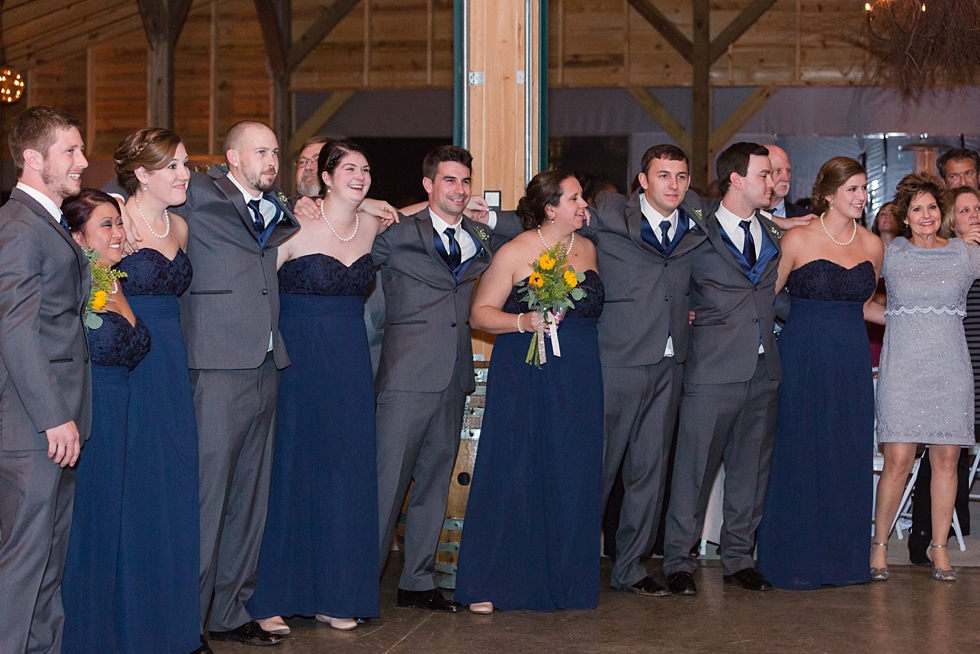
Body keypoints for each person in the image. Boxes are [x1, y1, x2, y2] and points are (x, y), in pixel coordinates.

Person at [110, 121, 300, 646]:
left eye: (277, 151)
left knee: (249, 498)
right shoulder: (197, 195)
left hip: (267, 360)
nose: (272, 158)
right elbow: (109, 216)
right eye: (262, 150)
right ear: (232, 156)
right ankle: (185, 619)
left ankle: (231, 607)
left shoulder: (274, 206)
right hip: (210, 362)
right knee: (205, 497)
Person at [373, 145, 521, 613]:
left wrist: (486, 213)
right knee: (386, 486)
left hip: (455, 375)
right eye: (449, 181)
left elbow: (526, 227)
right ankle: (360, 580)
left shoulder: (479, 235)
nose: (458, 190)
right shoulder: (397, 233)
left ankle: (416, 581)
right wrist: (395, 209)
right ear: (428, 185)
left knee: (435, 484)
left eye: (464, 182)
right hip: (404, 376)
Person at [248, 140, 386, 633]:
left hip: (350, 362)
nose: (360, 175)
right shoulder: (292, 223)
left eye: (366, 169)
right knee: (291, 468)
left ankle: (337, 593)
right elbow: (257, 280)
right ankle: (270, 597)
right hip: (298, 359)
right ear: (325, 177)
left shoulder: (373, 223)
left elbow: (417, 214)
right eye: (349, 168)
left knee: (346, 471)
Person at [454, 170, 604, 613]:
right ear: (550, 208)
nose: (584, 206)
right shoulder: (516, 251)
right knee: (515, 467)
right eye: (575, 198)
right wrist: (525, 321)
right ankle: (493, 581)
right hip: (526, 370)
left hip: (579, 372)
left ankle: (566, 581)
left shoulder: (589, 247)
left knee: (572, 473)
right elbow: (479, 314)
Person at [582, 145, 707, 597]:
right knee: (599, 467)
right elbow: (545, 216)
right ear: (642, 180)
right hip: (617, 358)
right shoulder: (610, 214)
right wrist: (485, 219)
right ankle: (574, 562)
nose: (672, 184)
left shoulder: (695, 221)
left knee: (648, 471)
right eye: (663, 175)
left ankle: (631, 566)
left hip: (671, 362)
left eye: (680, 176)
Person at [756, 157, 883, 590]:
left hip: (850, 357)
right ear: (828, 194)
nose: (860, 197)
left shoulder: (872, 244)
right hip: (803, 353)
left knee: (846, 452)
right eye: (852, 189)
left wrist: (917, 318)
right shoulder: (797, 239)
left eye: (864, 189)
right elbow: (765, 297)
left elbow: (865, 306)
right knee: (799, 449)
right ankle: (792, 559)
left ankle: (845, 561)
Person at [662, 142, 782, 596]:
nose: (773, 183)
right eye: (764, 175)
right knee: (693, 471)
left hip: (763, 369)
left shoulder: (772, 233)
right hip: (710, 370)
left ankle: (738, 558)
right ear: (736, 179)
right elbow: (671, 287)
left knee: (750, 473)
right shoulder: (696, 233)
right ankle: (678, 560)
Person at [108, 128, 206, 653]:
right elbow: (88, 284)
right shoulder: (114, 217)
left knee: (173, 490)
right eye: (170, 166)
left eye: (185, 163)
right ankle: (130, 626)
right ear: (140, 173)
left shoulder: (182, 226)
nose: (183, 174)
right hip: (129, 363)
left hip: (173, 365)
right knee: (135, 489)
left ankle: (171, 625)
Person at [0, 106, 91, 654]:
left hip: (56, 422)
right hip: (33, 426)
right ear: (33, 159)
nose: (82, 162)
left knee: (47, 566)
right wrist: (53, 415)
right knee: (23, 565)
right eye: (71, 152)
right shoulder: (17, 225)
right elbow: (14, 329)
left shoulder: (46, 223)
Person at [871, 174, 980, 583]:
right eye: (917, 208)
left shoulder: (964, 253)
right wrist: (900, 321)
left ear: (942, 211)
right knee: (898, 459)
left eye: (932, 206)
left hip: (951, 368)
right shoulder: (890, 253)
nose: (926, 215)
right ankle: (879, 545)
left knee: (947, 460)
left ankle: (939, 548)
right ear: (904, 217)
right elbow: (859, 298)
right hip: (903, 368)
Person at [61, 190, 151, 654]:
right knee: (88, 530)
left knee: (118, 529)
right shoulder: (72, 284)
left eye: (119, 223)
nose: (118, 233)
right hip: (91, 420)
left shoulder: (115, 281)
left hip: (127, 417)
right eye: (106, 225)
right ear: (77, 237)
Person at [905, 185, 980, 565]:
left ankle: (943, 538)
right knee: (931, 456)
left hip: (967, 361)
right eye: (965, 210)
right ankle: (923, 539)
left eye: (978, 209)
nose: (974, 216)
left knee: (952, 456)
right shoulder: (951, 253)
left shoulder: (969, 254)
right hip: (946, 355)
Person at [764, 144, 814, 230]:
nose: (786, 178)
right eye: (778, 171)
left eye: (788, 171)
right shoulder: (743, 215)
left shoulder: (805, 219)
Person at [293, 135, 333, 201]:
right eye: (302, 162)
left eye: (317, 160)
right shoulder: (283, 208)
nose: (308, 167)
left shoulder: (352, 208)